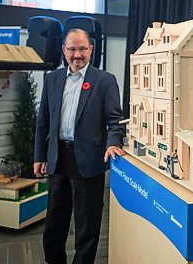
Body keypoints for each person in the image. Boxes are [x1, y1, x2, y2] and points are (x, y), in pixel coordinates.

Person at [34, 28, 126, 264]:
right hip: (58, 158)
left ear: (91, 50)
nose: (77, 55)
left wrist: (113, 142)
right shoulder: (52, 79)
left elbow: (115, 121)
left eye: (82, 49)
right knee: (55, 220)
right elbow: (43, 121)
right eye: (72, 49)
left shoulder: (105, 81)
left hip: (88, 160)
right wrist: (39, 156)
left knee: (87, 223)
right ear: (64, 50)